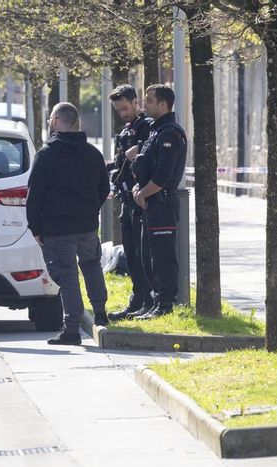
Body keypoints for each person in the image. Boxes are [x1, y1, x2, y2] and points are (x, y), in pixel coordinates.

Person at [26, 102, 109, 346]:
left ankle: (72, 329)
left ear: (54, 121)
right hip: (87, 226)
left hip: (57, 229)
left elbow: (34, 196)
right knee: (92, 267)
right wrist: (90, 210)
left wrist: (35, 228)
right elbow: (104, 188)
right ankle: (100, 313)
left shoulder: (45, 155)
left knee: (67, 276)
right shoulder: (93, 153)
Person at [131, 84, 187, 319]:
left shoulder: (170, 134)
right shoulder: (156, 131)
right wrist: (138, 189)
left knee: (163, 257)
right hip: (151, 204)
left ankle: (165, 304)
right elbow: (145, 168)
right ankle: (153, 302)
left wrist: (143, 193)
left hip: (162, 204)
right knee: (147, 256)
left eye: (150, 100)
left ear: (163, 105)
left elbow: (163, 177)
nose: (145, 104)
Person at [107, 85, 153, 320]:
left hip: (140, 199)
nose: (122, 113)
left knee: (141, 252)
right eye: (118, 110)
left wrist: (141, 148)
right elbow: (120, 164)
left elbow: (153, 155)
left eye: (125, 108)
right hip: (126, 198)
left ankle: (147, 300)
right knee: (131, 253)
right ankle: (137, 299)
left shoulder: (147, 127)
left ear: (136, 102)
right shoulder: (126, 131)